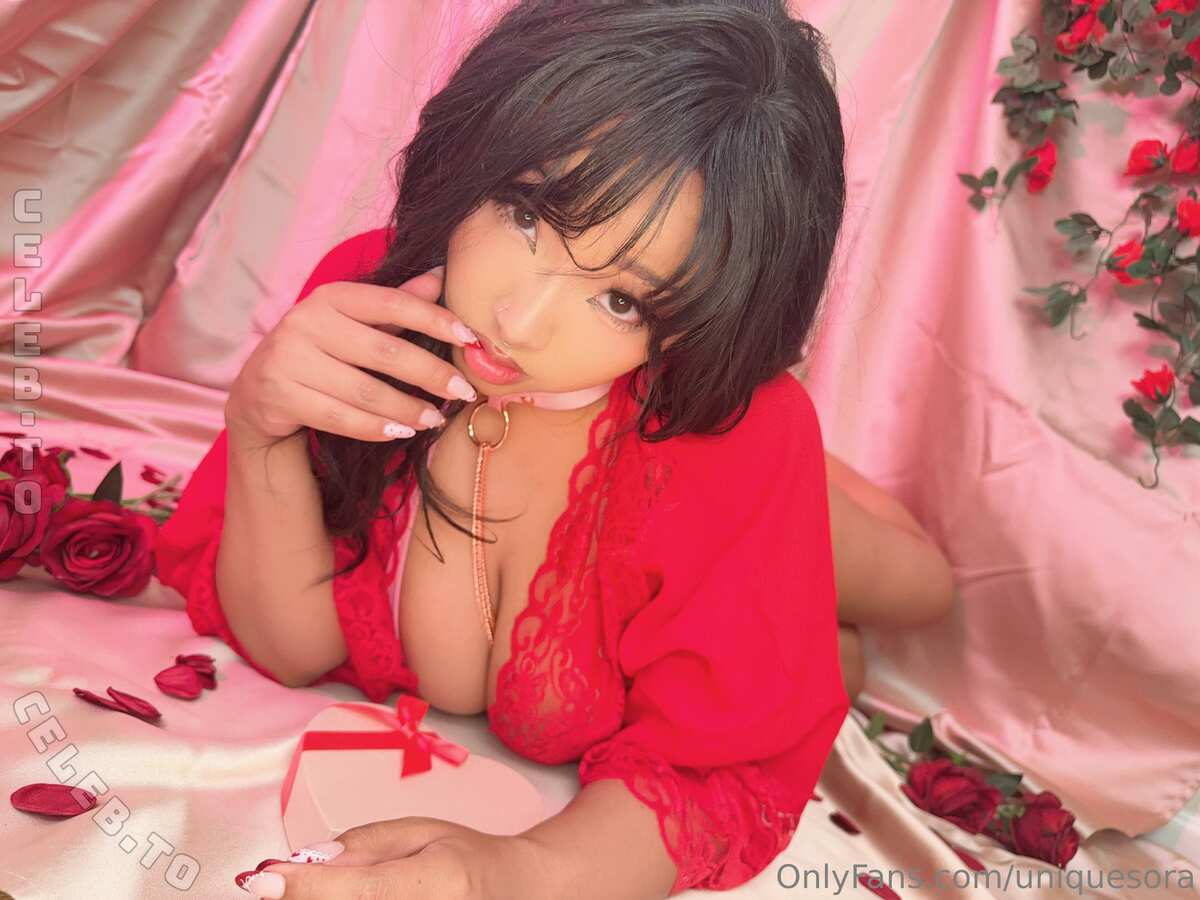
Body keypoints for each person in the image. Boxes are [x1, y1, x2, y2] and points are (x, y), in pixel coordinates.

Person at [155, 1, 953, 897]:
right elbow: (292, 648)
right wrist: (259, 425)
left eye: (622, 300)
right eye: (527, 213)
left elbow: (714, 775)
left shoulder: (737, 432)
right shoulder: (367, 305)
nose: (520, 321)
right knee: (803, 648)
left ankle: (811, 528)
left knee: (925, 589)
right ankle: (801, 617)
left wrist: (509, 875)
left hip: (724, 469)